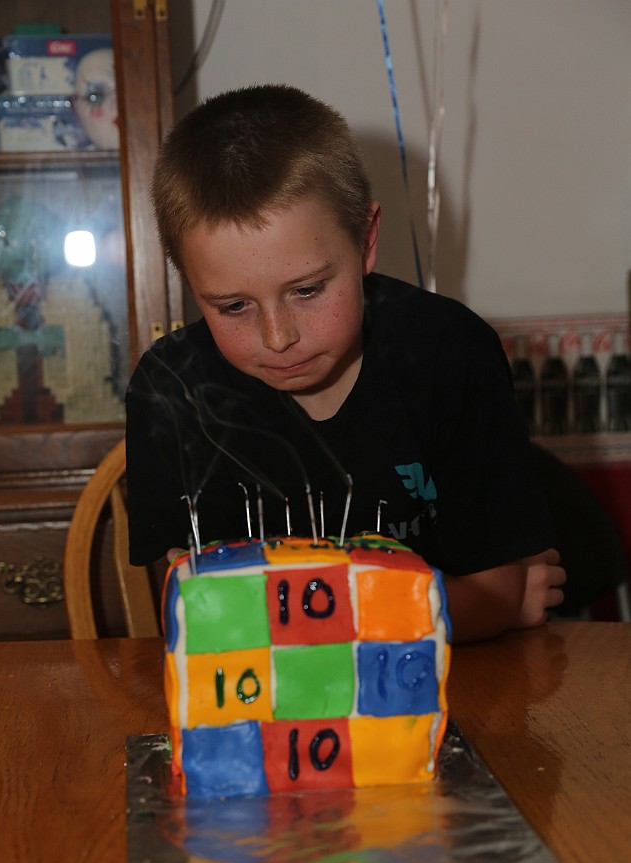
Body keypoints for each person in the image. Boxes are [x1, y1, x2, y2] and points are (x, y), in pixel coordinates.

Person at [125, 83, 565, 643]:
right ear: (190, 284)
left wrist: (485, 605)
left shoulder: (451, 352)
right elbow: (205, 622)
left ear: (367, 240)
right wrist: (442, 609)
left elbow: (492, 595)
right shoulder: (170, 389)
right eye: (233, 306)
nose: (278, 337)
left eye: (307, 290)